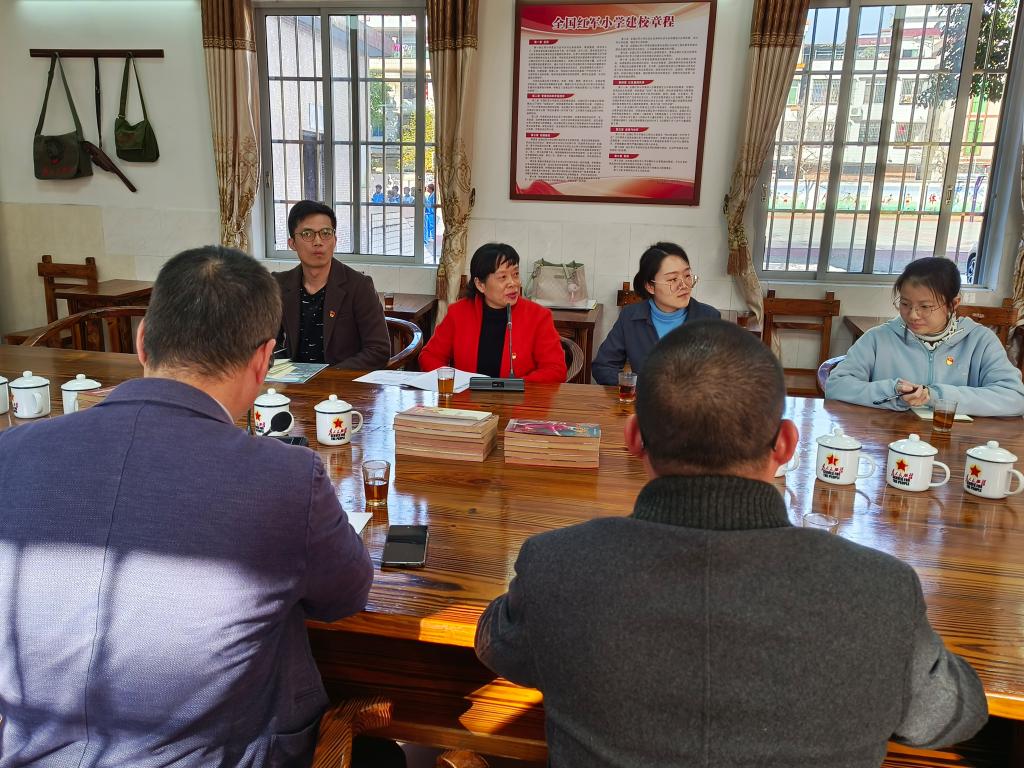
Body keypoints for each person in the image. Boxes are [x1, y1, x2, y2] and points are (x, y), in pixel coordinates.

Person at [476, 319, 988, 768]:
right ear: (786, 444)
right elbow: (955, 714)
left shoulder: (558, 566)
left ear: (634, 439)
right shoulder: (880, 590)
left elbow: (496, 643)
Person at [0, 246, 377, 765]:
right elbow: (347, 596)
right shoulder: (286, 478)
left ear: (141, 341)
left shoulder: (11, 453)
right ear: (264, 359)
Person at [826, 256, 1024, 416]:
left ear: (953, 304)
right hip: (890, 440)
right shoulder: (878, 339)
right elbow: (836, 385)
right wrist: (892, 392)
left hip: (958, 443)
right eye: (905, 304)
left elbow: (1014, 398)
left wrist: (937, 396)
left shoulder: (980, 341)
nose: (913, 315)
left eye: (925, 307)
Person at [419, 242, 567, 383]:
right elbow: (430, 357)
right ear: (480, 285)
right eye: (503, 277)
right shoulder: (458, 313)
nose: (513, 283)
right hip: (467, 398)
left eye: (515, 274)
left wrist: (516, 386)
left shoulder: (538, 317)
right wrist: (454, 381)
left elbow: (555, 369)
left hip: (519, 399)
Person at [274, 200, 391, 369]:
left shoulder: (359, 286)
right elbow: (265, 344)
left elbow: (378, 350)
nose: (318, 241)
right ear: (292, 243)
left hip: (339, 381)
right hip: (290, 381)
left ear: (335, 240)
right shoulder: (278, 286)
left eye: (326, 233)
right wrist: (285, 370)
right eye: (307, 234)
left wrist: (329, 376)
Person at [592, 242, 720, 385]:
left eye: (687, 276)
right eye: (673, 279)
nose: (684, 285)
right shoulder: (630, 317)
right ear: (650, 286)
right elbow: (603, 366)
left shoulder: (709, 318)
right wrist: (635, 386)